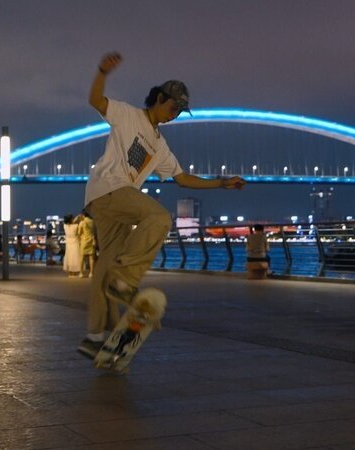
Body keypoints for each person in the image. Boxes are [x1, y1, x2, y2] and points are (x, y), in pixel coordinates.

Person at [77, 51, 246, 358]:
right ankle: (125, 281)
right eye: (173, 107)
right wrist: (101, 72)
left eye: (180, 112)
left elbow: (183, 178)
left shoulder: (159, 146)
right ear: (158, 98)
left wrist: (221, 182)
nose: (175, 114)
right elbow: (95, 100)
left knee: (105, 266)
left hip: (110, 201)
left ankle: (96, 335)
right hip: (109, 189)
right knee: (159, 217)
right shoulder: (128, 115)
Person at [78, 213, 96, 278]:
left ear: (83, 215)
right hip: (91, 240)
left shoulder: (82, 222)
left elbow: (79, 233)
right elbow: (94, 231)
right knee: (91, 258)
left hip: (84, 241)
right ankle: (91, 273)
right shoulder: (93, 222)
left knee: (82, 258)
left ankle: (81, 273)